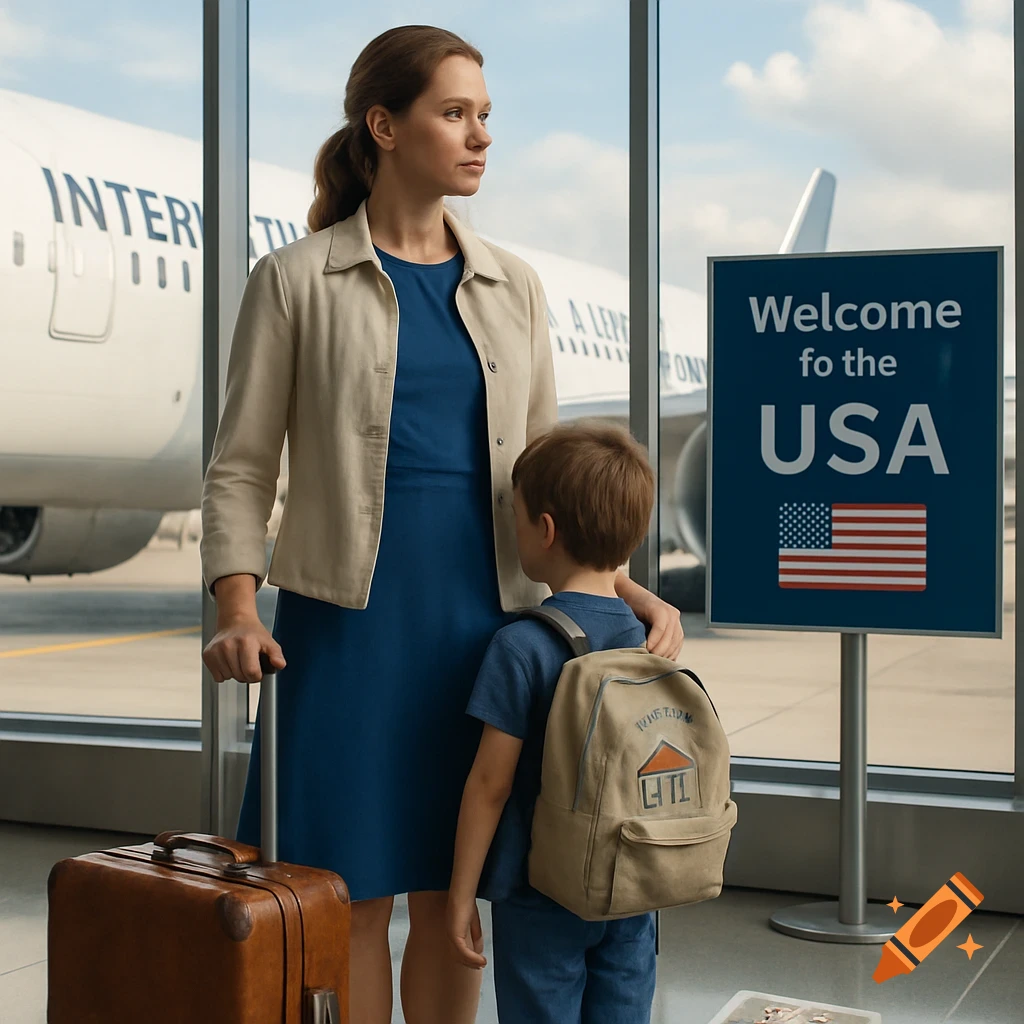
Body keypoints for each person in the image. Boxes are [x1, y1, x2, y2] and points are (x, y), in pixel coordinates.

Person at [199, 25, 682, 1024]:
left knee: (458, 892)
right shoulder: (293, 281)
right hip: (345, 628)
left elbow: (552, 466)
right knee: (353, 892)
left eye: (485, 116)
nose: (479, 136)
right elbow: (242, 468)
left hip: (489, 627)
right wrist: (240, 606)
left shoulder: (515, 286)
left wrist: (618, 579)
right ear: (384, 125)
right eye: (454, 113)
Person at [447, 422, 659, 1024]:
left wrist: (462, 895)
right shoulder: (643, 636)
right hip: (633, 887)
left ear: (544, 530)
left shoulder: (520, 647)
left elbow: (490, 785)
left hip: (540, 892)